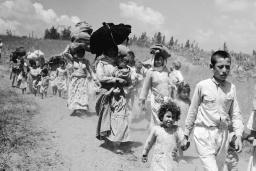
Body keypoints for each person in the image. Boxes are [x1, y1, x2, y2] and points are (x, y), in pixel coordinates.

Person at [182, 50, 244, 171]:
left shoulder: (232, 88)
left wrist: (238, 136)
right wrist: (186, 134)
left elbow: (236, 114)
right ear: (212, 67)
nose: (224, 70)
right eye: (220, 67)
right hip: (203, 134)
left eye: (227, 67)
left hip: (222, 135)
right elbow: (193, 110)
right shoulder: (202, 86)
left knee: (218, 168)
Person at [92, 22, 131, 153]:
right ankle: (109, 138)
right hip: (105, 93)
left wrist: (122, 73)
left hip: (117, 94)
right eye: (111, 49)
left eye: (115, 50)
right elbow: (101, 78)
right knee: (106, 116)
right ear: (106, 50)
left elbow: (118, 75)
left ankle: (116, 142)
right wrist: (115, 79)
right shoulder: (100, 64)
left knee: (118, 116)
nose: (113, 51)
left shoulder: (115, 64)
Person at [141, 101, 188, 171]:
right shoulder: (156, 129)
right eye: (168, 116)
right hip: (158, 161)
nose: (170, 119)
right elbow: (149, 142)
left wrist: (184, 144)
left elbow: (182, 139)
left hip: (171, 161)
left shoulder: (177, 129)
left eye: (173, 117)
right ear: (162, 116)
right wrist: (145, 153)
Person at [139, 44, 175, 128]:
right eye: (156, 60)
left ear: (163, 61)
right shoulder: (150, 72)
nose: (158, 61)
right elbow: (145, 87)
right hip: (156, 100)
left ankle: (164, 138)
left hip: (166, 100)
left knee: (167, 120)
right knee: (158, 121)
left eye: (160, 60)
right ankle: (155, 138)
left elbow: (170, 84)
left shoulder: (166, 71)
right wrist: (142, 102)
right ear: (153, 60)